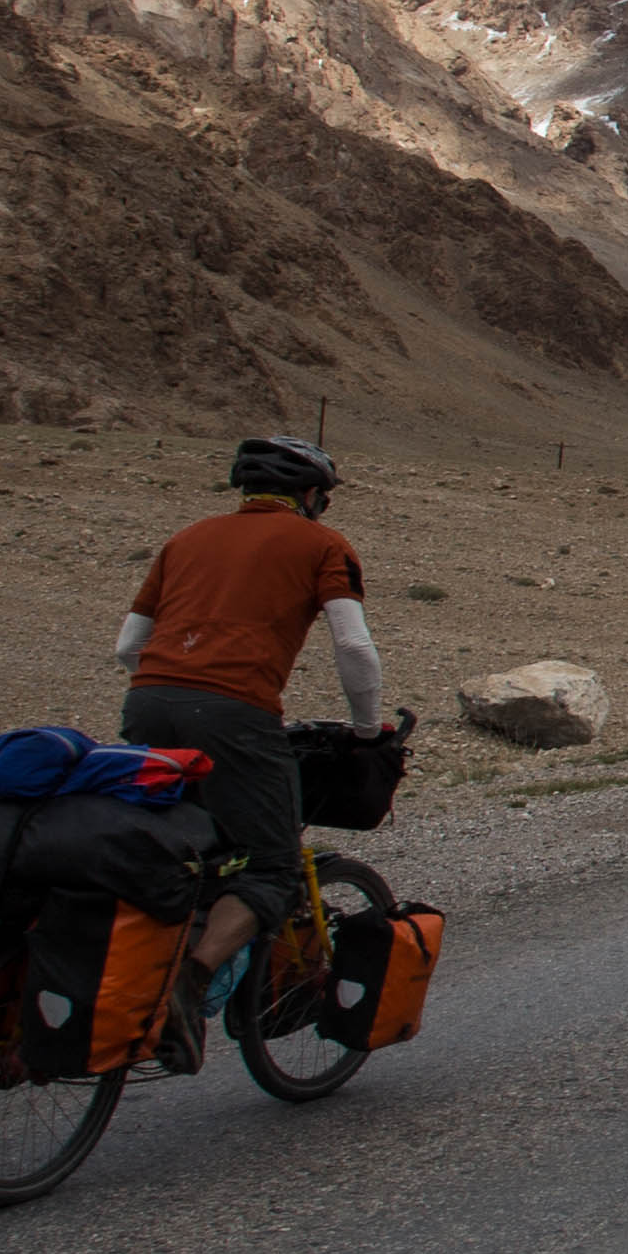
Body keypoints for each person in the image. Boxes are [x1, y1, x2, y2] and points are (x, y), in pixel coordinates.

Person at [115, 435, 393, 1025]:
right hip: (234, 712)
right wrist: (368, 730)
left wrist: (180, 683)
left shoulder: (185, 539)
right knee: (274, 863)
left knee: (182, 842)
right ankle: (189, 983)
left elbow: (128, 647)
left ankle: (152, 954)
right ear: (313, 495)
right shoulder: (322, 544)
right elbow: (353, 646)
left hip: (146, 703)